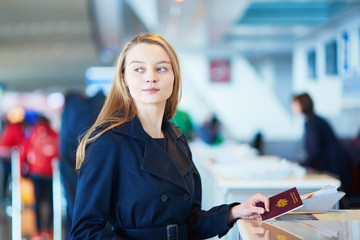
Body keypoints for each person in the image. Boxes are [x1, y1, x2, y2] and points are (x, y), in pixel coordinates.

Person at [70, 33, 269, 240]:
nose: (151, 77)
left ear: (174, 76)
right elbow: (85, 232)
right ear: (124, 78)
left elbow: (187, 222)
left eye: (161, 68)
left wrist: (233, 212)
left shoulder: (177, 139)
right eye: (139, 69)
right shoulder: (108, 141)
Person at [292, 93, 352, 192]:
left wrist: (300, 164)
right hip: (333, 165)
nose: (293, 107)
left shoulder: (312, 123)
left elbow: (314, 151)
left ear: (302, 104)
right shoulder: (315, 120)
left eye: (295, 104)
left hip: (331, 168)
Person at [22, 115, 59, 240]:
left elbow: (24, 151)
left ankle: (37, 232)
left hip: (36, 173)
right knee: (51, 202)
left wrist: (23, 172)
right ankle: (48, 230)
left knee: (37, 203)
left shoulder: (32, 134)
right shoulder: (54, 133)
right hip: (50, 174)